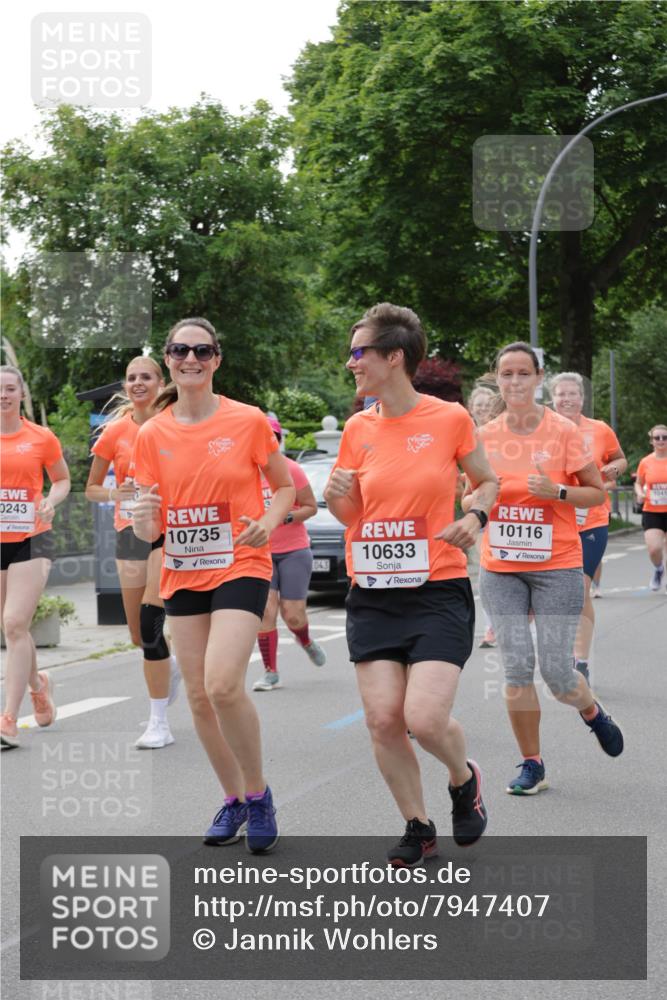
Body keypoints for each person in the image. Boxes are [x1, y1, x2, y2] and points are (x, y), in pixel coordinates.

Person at [325, 303, 498, 866]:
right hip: (373, 592)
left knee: (422, 719)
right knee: (383, 719)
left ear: (393, 357)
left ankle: (462, 776)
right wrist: (336, 495)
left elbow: (487, 482)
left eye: (359, 352)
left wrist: (475, 518)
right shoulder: (357, 427)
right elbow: (354, 517)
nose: (351, 362)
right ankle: (418, 825)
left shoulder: (448, 419)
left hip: (436, 588)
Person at [131, 317, 295, 853]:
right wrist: (143, 519)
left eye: (202, 350)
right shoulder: (151, 434)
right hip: (183, 569)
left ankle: (260, 793)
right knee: (199, 696)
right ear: (169, 360)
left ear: (216, 360)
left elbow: (284, 489)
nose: (191, 358)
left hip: (241, 563)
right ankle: (236, 799)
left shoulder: (247, 421)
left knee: (224, 684)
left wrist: (267, 525)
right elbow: (147, 526)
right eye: (180, 350)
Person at [472, 342, 624, 798]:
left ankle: (592, 712)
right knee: (516, 666)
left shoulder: (562, 431)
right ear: (496, 379)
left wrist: (557, 491)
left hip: (556, 563)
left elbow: (597, 494)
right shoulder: (484, 434)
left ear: (540, 378)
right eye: (506, 374)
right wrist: (482, 499)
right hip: (500, 566)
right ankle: (532, 763)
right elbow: (466, 495)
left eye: (524, 374)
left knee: (558, 675)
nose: (515, 382)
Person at [85, 356, 181, 749]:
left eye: (146, 376)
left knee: (150, 621)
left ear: (161, 383)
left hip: (168, 533)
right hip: (130, 532)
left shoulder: (175, 424)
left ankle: (159, 722)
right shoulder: (114, 432)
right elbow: (91, 487)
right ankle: (169, 666)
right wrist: (113, 492)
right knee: (137, 636)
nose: (138, 383)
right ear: (125, 387)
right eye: (131, 378)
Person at [0, 365, 70, 747]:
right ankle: (38, 684)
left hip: (32, 537)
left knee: (13, 622)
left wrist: (51, 500)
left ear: (21, 393)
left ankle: (8, 718)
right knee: (14, 630)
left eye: (10, 388)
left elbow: (61, 479)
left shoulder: (40, 437)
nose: (3, 395)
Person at [549, 372, 627, 681]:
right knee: (560, 594)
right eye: (561, 394)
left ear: (582, 398)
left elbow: (620, 459)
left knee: (579, 591)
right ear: (552, 398)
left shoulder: (599, 430)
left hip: (591, 519)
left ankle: (580, 660)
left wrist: (614, 468)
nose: (567, 399)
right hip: (555, 521)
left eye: (573, 394)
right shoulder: (543, 430)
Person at [253, 416, 325, 691]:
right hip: (260, 553)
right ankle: (270, 672)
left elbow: (310, 507)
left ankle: (304, 639)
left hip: (294, 551)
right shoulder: (245, 471)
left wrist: (284, 516)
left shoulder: (291, 470)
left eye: (272, 437)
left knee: (293, 615)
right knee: (266, 611)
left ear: (278, 440)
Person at [467, 384, 498, 648]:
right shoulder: (467, 436)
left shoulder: (502, 435)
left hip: (505, 513)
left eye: (487, 406)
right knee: (485, 571)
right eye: (478, 406)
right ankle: (491, 627)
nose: (482, 410)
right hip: (478, 513)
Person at [634, 424, 667, 591]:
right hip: (652, 511)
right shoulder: (645, 462)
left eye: (664, 437)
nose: (661, 441)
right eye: (657, 438)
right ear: (651, 441)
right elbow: (638, 484)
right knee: (654, 549)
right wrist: (640, 493)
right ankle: (659, 569)